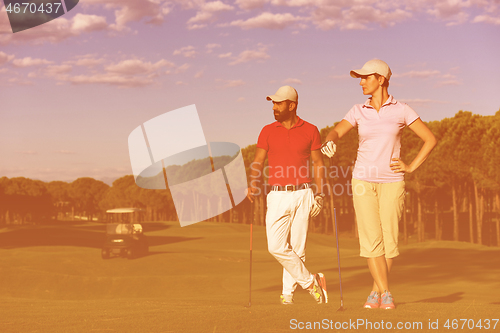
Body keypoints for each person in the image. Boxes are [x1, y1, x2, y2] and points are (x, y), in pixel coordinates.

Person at [321, 59, 437, 310]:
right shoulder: (357, 110)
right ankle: (386, 293)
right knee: (371, 240)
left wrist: (410, 166)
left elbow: (429, 139)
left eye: (366, 77)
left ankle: (375, 293)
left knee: (389, 240)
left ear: (381, 79)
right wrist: (329, 141)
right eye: (360, 78)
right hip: (362, 180)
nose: (361, 82)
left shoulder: (402, 110)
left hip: (393, 181)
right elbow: (336, 131)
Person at [246, 85, 328, 305]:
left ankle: (287, 296)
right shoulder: (267, 130)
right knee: (276, 246)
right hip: (277, 194)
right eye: (273, 103)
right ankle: (312, 283)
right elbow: (258, 161)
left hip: (304, 193)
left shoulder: (310, 129)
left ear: (291, 105)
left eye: (278, 103)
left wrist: (320, 195)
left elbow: (318, 164)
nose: (274, 107)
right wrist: (253, 183)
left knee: (298, 248)